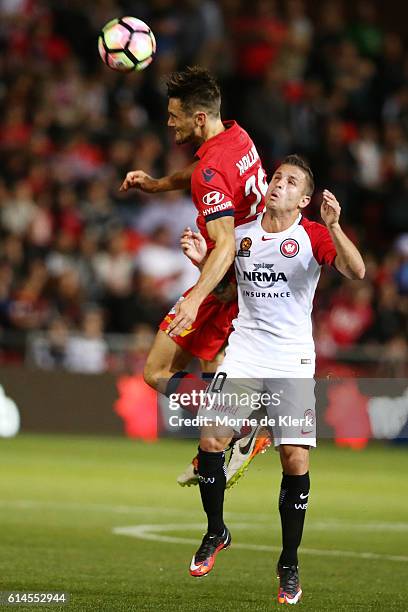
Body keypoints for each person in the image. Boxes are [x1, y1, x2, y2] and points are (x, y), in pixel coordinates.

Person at [181, 155, 365, 605]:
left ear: (304, 199)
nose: (279, 184)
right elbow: (228, 293)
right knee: (210, 440)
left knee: (295, 461)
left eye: (291, 182)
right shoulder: (240, 234)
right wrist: (202, 261)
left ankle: (288, 563)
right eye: (277, 177)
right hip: (245, 352)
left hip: (291, 359)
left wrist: (336, 226)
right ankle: (215, 532)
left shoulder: (313, 235)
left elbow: (357, 271)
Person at [120, 66, 271, 485]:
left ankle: (241, 421)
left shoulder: (211, 172)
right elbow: (201, 173)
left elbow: (222, 241)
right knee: (213, 363)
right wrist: (156, 185)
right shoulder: (238, 138)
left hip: (225, 280)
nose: (169, 123)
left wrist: (194, 296)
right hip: (252, 276)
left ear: (198, 118)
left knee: (156, 372)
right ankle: (221, 439)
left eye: (174, 116)